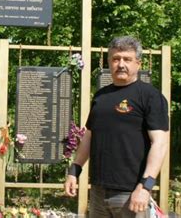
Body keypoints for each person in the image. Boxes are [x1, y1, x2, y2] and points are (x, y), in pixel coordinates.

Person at [64, 36, 169, 217]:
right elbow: (89, 136)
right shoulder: (100, 97)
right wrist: (74, 171)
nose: (120, 64)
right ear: (109, 63)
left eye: (127, 59)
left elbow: (160, 143)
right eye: (115, 59)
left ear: (138, 63)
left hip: (131, 193)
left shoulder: (150, 96)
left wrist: (145, 186)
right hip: (98, 191)